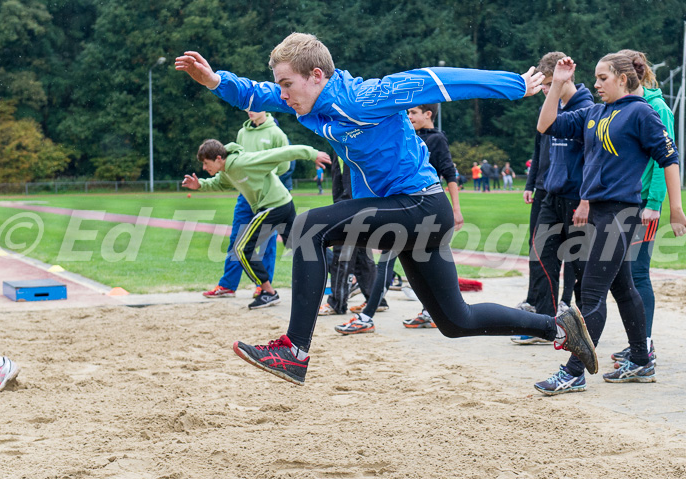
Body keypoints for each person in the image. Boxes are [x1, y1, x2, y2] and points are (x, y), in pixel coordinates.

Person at [176, 32, 598, 386]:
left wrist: (511, 85)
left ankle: (294, 350)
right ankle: (557, 326)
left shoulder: (364, 96)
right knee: (456, 321)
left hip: (419, 205)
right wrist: (215, 80)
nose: (283, 95)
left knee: (307, 227)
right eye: (281, 86)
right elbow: (259, 93)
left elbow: (436, 79)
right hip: (414, 214)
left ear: (316, 76)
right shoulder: (310, 100)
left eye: (288, 84)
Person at [533, 54, 686, 395]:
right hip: (598, 211)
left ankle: (574, 372)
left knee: (591, 293)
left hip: (620, 212)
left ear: (623, 78)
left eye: (603, 78)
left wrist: (674, 208)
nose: (597, 84)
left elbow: (669, 158)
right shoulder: (594, 112)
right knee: (622, 286)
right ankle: (641, 359)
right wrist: (557, 82)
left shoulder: (641, 112)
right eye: (596, 78)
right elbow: (546, 125)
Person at [334, 103, 462, 334]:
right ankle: (422, 312)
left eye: (413, 112)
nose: (409, 116)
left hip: (424, 209)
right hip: (404, 209)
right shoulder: (407, 135)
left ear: (428, 114)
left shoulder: (437, 139)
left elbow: (449, 174)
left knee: (392, 262)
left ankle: (367, 316)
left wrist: (456, 209)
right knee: (404, 265)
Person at [182, 138, 330, 309]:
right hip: (282, 203)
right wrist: (200, 184)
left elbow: (281, 153)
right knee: (302, 245)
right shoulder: (226, 170)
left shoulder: (243, 162)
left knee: (242, 248)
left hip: (274, 206)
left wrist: (312, 154)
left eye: (206, 163)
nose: (204, 168)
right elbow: (219, 183)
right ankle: (346, 271)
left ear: (218, 158)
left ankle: (268, 292)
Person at [512, 51, 595, 345]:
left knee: (582, 267)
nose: (546, 89)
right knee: (541, 258)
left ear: (566, 77)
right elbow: (541, 139)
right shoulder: (552, 107)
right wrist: (536, 184)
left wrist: (585, 200)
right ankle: (545, 325)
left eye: (550, 83)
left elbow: (593, 160)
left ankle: (586, 327)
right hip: (551, 195)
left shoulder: (587, 108)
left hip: (577, 199)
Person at [609, 49, 675, 367]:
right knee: (627, 275)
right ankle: (637, 342)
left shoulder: (657, 107)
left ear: (626, 76)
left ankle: (644, 345)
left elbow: (667, 161)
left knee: (638, 273)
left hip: (644, 204)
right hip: (627, 201)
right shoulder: (625, 107)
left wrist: (654, 204)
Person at [203, 110, 288, 299]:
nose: (250, 111)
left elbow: (285, 165)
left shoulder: (276, 133)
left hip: (267, 196)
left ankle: (263, 286)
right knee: (237, 238)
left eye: (254, 107)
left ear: (265, 108)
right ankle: (228, 285)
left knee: (266, 242)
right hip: (245, 195)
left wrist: (264, 178)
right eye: (247, 108)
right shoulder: (242, 133)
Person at [318, 151, 380, 317]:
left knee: (343, 249)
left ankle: (337, 302)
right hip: (349, 201)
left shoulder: (349, 135)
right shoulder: (336, 139)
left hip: (353, 203)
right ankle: (375, 299)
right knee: (361, 251)